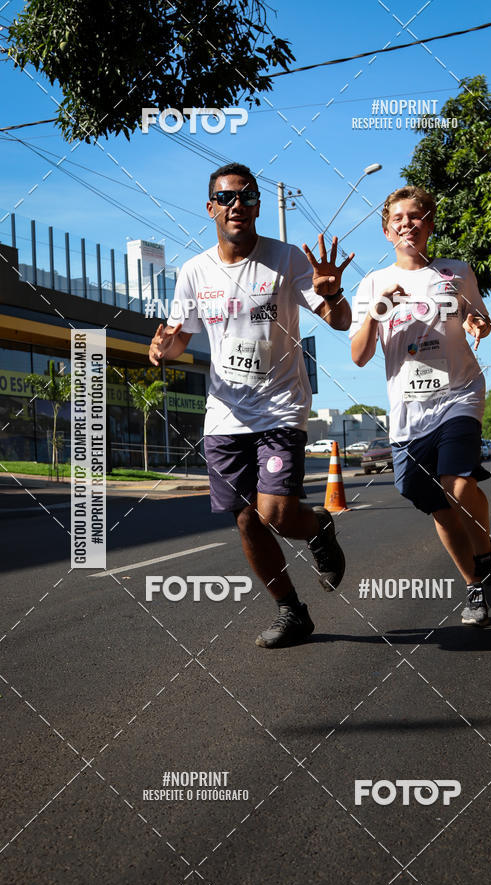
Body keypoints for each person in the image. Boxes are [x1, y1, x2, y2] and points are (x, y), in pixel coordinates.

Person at [149, 162, 353, 648]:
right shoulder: (196, 272)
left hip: (280, 406)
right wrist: (160, 351)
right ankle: (291, 611)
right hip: (224, 414)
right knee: (245, 519)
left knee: (278, 513)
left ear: (258, 205)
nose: (237, 204)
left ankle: (318, 527)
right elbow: (179, 340)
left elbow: (340, 321)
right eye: (226, 198)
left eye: (246, 196)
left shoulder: (287, 259)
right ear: (210, 207)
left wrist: (334, 293)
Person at [350, 185, 491, 627]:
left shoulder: (456, 271)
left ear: (430, 225)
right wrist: (377, 311)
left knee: (456, 485)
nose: (408, 224)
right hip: (409, 412)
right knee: (433, 502)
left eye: (416, 217)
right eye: (398, 218)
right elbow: (359, 355)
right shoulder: (373, 283)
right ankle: (475, 584)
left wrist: (479, 322)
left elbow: (479, 317)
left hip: (459, 393)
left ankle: (487, 563)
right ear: (387, 231)